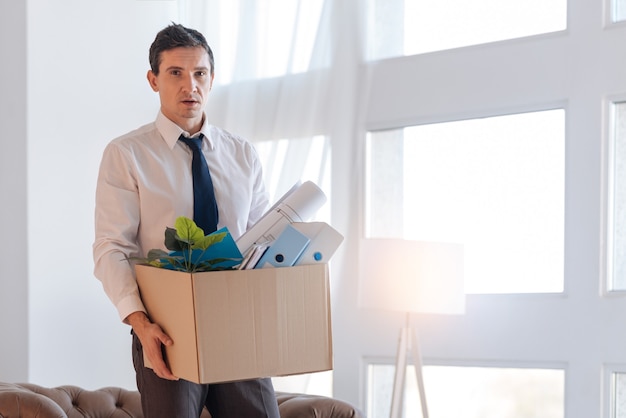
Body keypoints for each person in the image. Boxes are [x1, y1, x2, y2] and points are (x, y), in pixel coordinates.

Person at [93, 23, 280, 418]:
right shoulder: (127, 154)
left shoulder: (243, 154)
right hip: (166, 330)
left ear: (212, 79)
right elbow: (112, 248)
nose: (189, 86)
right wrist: (141, 325)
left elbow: (264, 238)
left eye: (199, 74)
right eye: (175, 73)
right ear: (153, 80)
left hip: (237, 325)